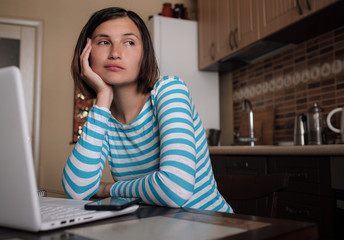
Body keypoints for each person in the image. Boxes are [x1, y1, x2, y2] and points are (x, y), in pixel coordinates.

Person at [62, 7, 232, 213]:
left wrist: (109, 189)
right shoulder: (102, 116)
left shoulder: (170, 90)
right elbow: (77, 190)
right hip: (157, 227)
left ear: (144, 54)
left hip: (213, 227)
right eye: (104, 42)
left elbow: (175, 189)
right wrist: (103, 98)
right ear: (87, 55)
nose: (115, 53)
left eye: (129, 42)